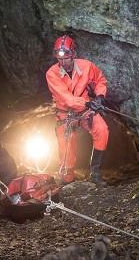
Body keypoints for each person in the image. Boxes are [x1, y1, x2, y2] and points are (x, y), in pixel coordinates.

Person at [46, 35, 109, 187]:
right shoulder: (52, 74)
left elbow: (100, 80)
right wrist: (89, 103)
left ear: (73, 54)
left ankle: (95, 172)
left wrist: (100, 97)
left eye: (66, 58)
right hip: (66, 114)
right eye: (59, 58)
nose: (63, 62)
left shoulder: (86, 66)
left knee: (102, 130)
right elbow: (67, 99)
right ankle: (68, 178)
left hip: (86, 112)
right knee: (66, 144)